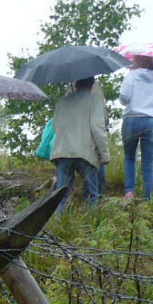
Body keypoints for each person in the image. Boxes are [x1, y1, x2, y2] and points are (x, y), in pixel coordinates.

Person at [50, 76, 109, 210]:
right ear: (91, 84)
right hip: (86, 154)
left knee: (61, 196)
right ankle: (90, 227)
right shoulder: (95, 101)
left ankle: (56, 224)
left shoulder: (62, 102)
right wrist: (104, 155)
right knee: (91, 196)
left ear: (75, 84)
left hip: (63, 152)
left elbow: (55, 127)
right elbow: (98, 129)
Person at [118, 55, 153, 200]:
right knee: (147, 164)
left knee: (129, 157)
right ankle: (149, 199)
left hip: (132, 119)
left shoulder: (131, 77)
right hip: (152, 121)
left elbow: (124, 98)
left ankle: (129, 192)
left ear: (138, 62)